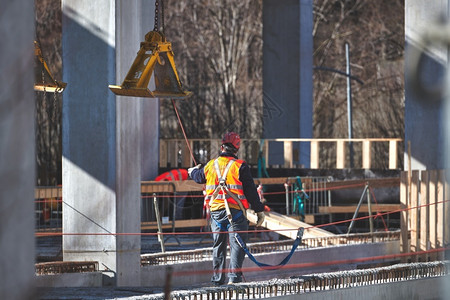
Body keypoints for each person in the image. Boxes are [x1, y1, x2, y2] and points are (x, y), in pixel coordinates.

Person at [188, 132, 265, 285]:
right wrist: (259, 210)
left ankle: (217, 280)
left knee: (218, 245)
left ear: (222, 146)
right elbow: (250, 190)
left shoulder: (211, 165)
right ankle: (234, 280)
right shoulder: (240, 166)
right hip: (236, 213)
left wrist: (192, 171)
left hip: (216, 213)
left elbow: (198, 176)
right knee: (237, 245)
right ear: (237, 149)